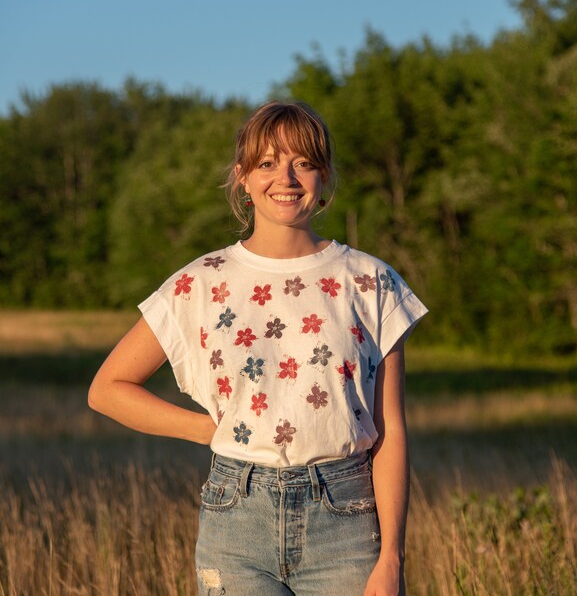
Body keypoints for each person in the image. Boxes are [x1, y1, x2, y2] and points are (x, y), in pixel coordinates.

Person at [89, 101, 427, 596]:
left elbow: (390, 432)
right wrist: (207, 429)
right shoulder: (201, 283)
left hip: (347, 522)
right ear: (242, 179)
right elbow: (107, 390)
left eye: (303, 162)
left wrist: (392, 560)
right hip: (236, 522)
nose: (285, 178)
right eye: (267, 163)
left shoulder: (371, 282)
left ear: (324, 177)